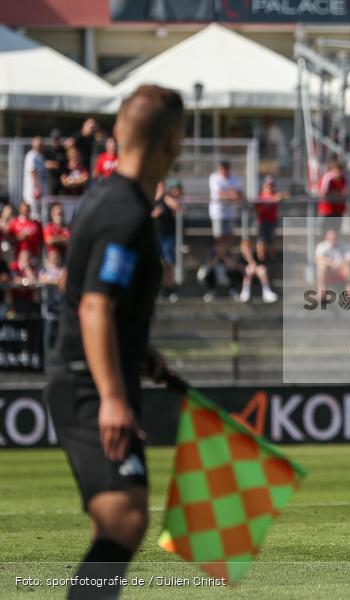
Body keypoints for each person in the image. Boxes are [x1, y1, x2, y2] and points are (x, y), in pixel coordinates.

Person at [43, 84, 184, 600]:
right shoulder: (124, 213)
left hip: (96, 375)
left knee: (120, 520)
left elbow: (82, 289)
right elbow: (93, 305)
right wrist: (112, 397)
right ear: (173, 143)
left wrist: (140, 355)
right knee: (125, 517)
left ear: (119, 133)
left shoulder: (106, 198)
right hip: (88, 385)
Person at [202, 161, 243, 299]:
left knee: (227, 246)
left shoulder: (234, 178)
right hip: (218, 214)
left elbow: (239, 195)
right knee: (219, 243)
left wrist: (231, 194)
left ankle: (222, 259)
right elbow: (220, 194)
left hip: (230, 216)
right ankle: (212, 288)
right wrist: (231, 194)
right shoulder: (214, 177)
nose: (224, 173)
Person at [151, 179, 181, 302]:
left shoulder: (167, 199)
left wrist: (164, 197)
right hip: (154, 236)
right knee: (157, 264)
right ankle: (158, 288)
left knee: (168, 263)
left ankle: (170, 289)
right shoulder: (151, 199)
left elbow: (176, 206)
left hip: (167, 236)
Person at [6, 201, 42, 283]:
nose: (25, 212)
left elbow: (41, 241)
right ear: (20, 210)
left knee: (34, 278)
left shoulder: (36, 223)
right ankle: (25, 283)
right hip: (19, 257)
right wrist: (19, 237)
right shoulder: (14, 223)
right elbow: (9, 239)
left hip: (33, 257)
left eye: (27, 210)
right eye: (23, 210)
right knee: (19, 277)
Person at [315, 226, 350, 299]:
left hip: (341, 269)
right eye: (331, 238)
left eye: (334, 238)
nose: (333, 240)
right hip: (328, 271)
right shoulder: (321, 246)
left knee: (348, 267)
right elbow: (318, 259)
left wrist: (342, 264)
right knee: (322, 267)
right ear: (326, 238)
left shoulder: (344, 245)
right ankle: (322, 290)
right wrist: (332, 264)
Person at [255, 175, 287, 261]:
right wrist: (272, 199)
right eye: (268, 184)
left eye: (271, 184)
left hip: (272, 221)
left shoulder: (275, 194)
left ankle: (271, 259)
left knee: (271, 240)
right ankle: (261, 259)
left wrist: (277, 197)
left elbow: (285, 195)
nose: (270, 186)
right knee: (261, 240)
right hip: (262, 221)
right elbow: (256, 207)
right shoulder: (261, 195)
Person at [238, 238, 278, 303]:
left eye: (248, 249)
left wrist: (252, 262)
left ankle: (266, 291)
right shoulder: (240, 258)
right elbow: (241, 270)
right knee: (249, 270)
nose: (247, 251)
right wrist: (250, 260)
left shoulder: (256, 255)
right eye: (245, 249)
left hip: (257, 277)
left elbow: (262, 263)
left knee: (261, 270)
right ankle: (245, 292)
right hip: (245, 279)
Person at [318, 156, 349, 227]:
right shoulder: (327, 178)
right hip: (328, 208)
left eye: (339, 170)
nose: (337, 173)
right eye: (335, 171)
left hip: (339, 207)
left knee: (337, 227)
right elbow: (323, 193)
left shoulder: (344, 179)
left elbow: (346, 192)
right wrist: (336, 194)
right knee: (327, 227)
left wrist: (336, 194)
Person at [23, 136, 48, 212]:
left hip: (40, 193)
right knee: (34, 213)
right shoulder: (31, 156)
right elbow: (33, 172)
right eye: (38, 145)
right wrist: (38, 188)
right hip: (33, 192)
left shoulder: (41, 157)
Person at [44, 129, 67, 197]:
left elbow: (65, 163)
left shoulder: (63, 150)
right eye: (54, 138)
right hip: (52, 180)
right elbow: (45, 164)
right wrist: (55, 164)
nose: (56, 140)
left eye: (57, 138)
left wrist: (54, 164)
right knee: (52, 198)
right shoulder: (48, 150)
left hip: (63, 179)